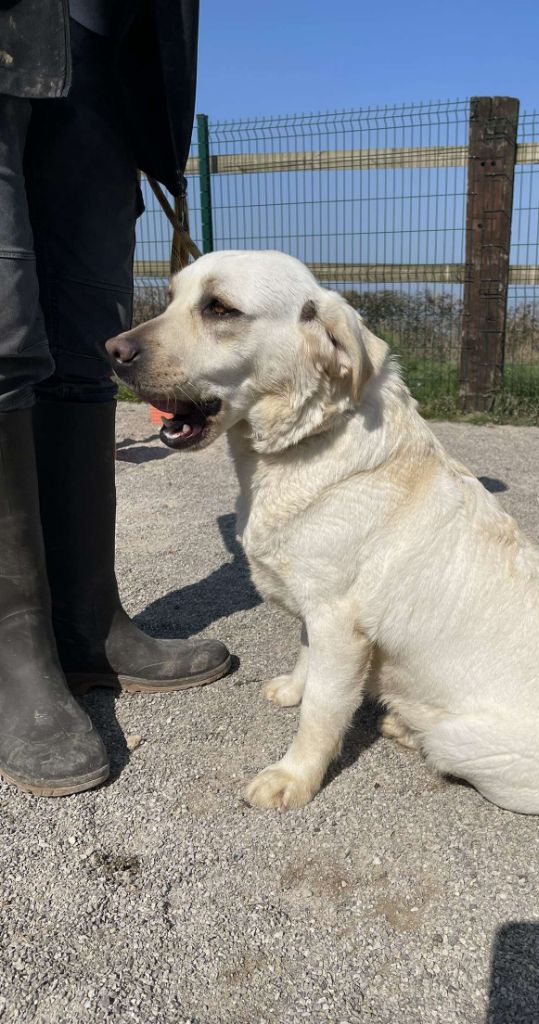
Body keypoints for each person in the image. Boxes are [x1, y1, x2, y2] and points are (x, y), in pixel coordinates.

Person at [0, 0, 231, 797]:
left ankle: (90, 627)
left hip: (110, 38)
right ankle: (15, 657)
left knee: (85, 344)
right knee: (2, 335)